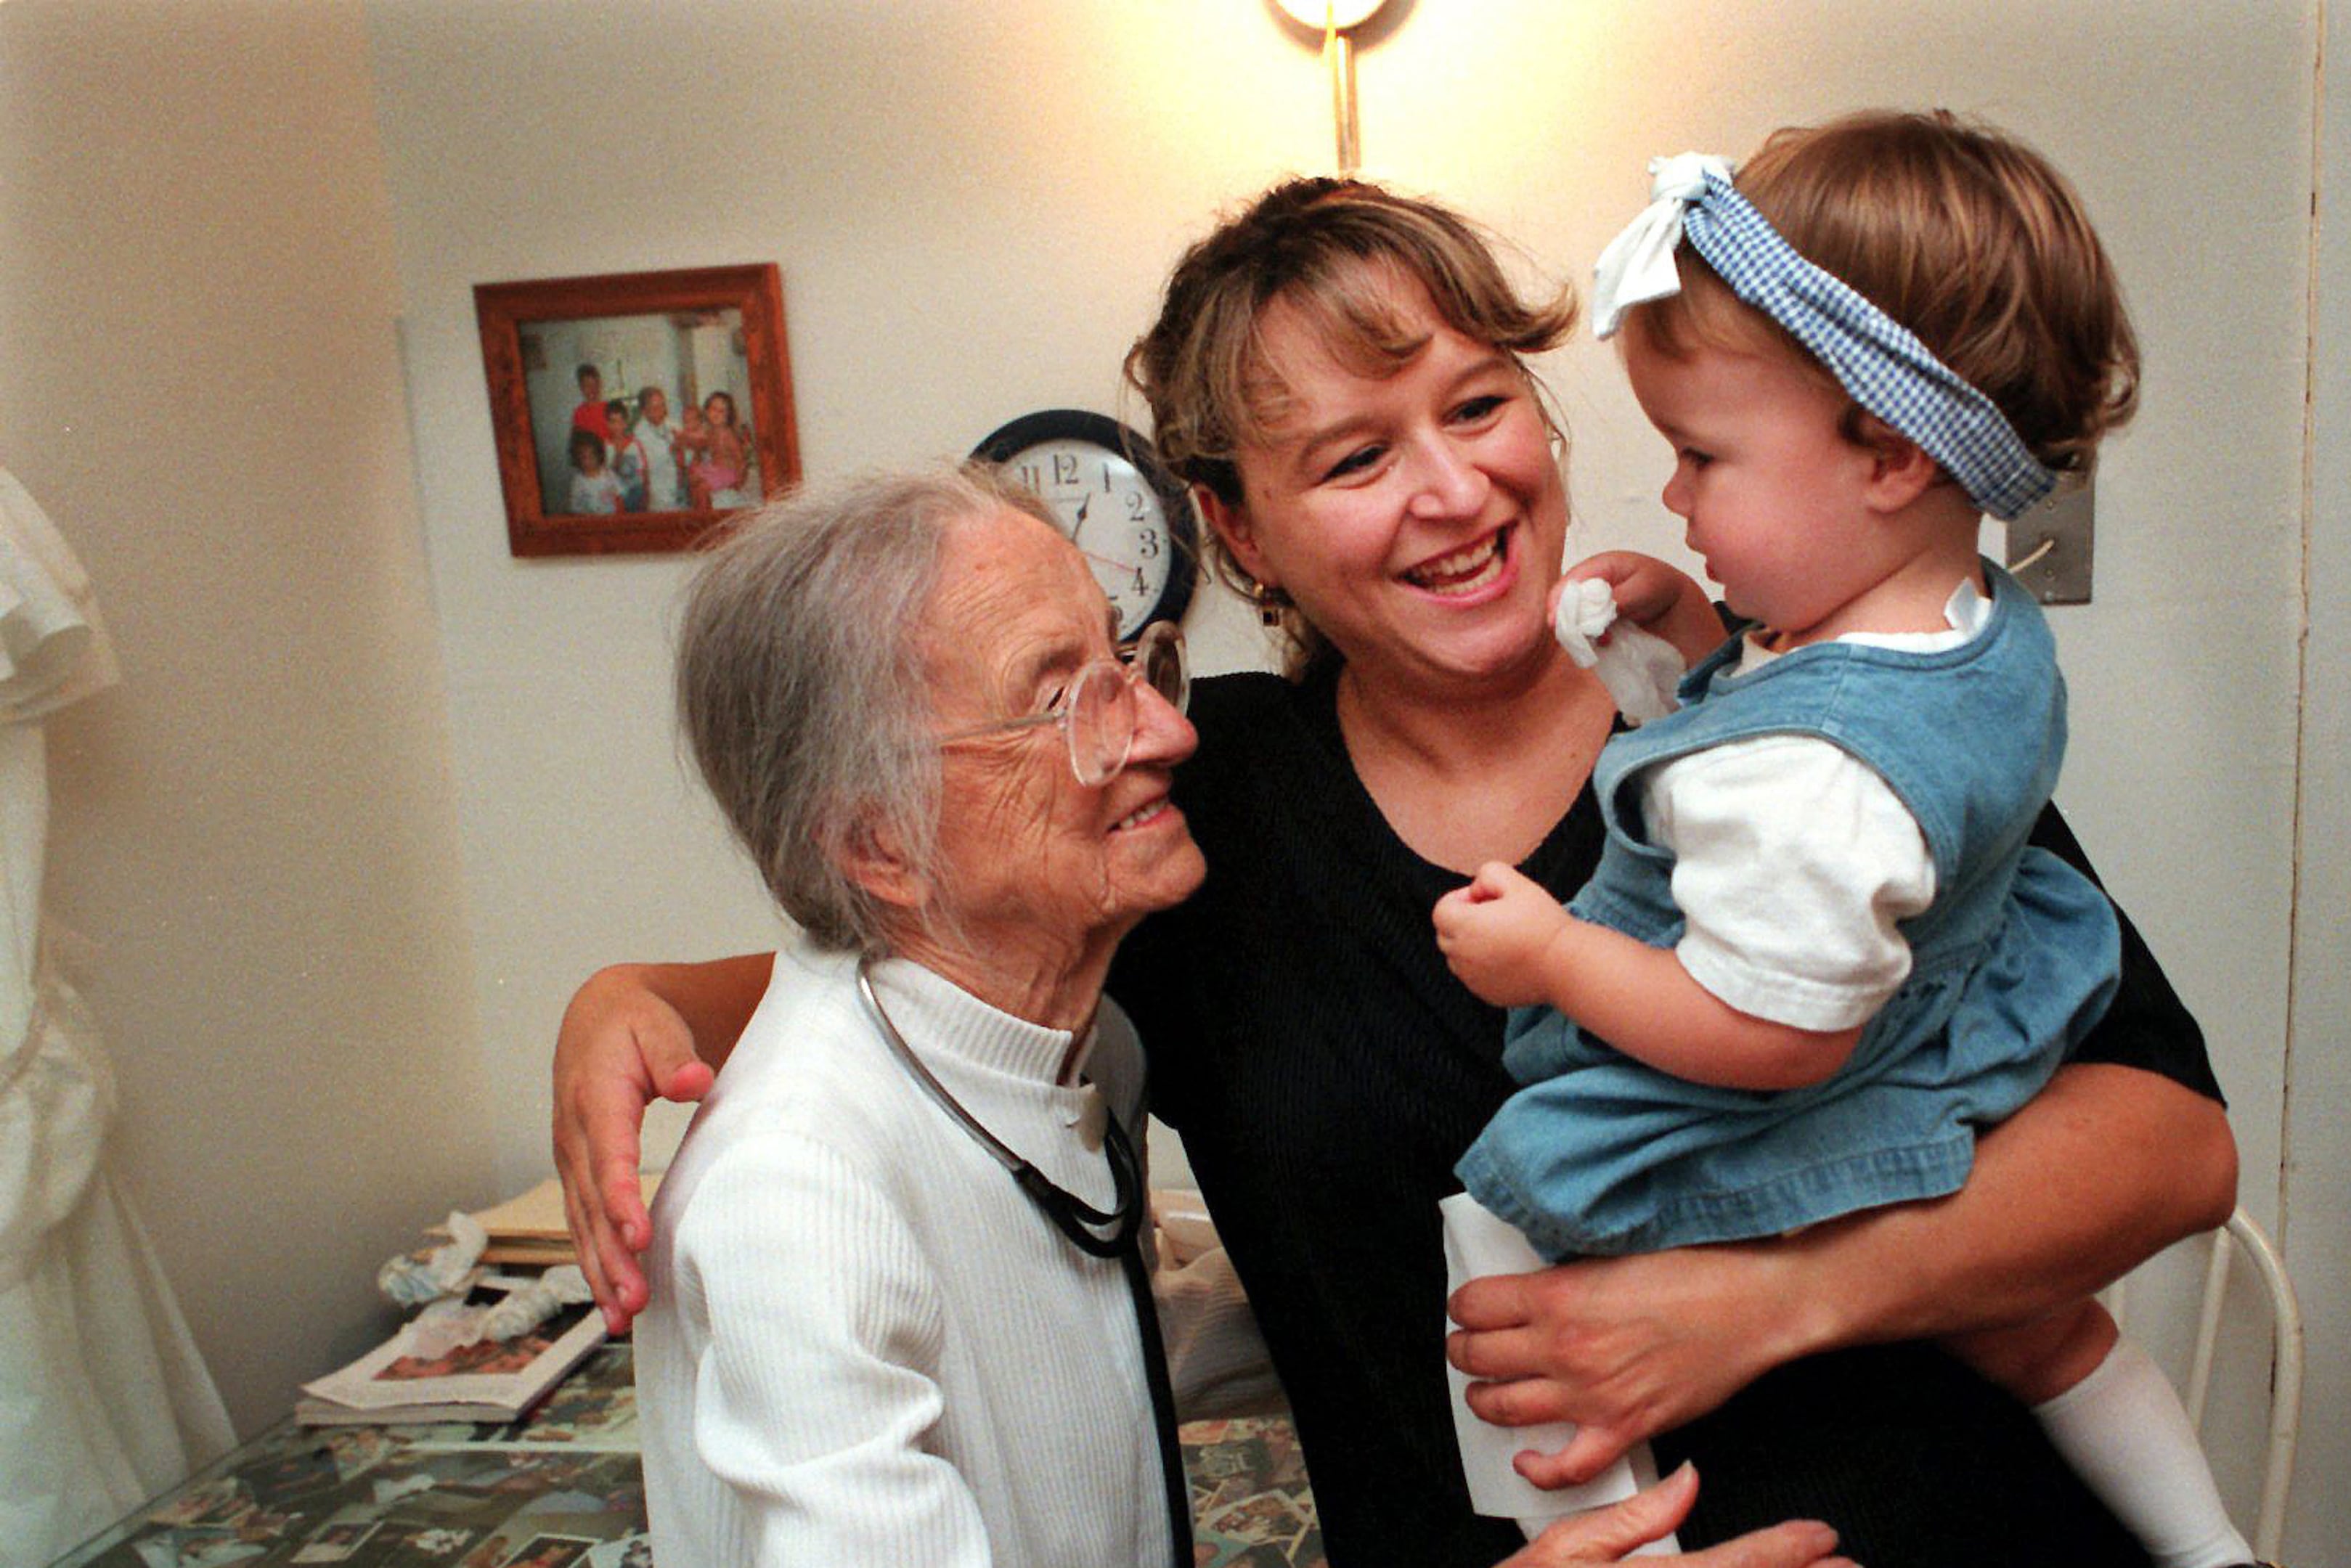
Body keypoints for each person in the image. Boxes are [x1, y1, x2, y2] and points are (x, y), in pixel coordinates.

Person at [554, 173, 2235, 1567]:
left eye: (1482, 403)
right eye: (1354, 458)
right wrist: (637, 999)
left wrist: (1759, 1301)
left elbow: (2166, 1143)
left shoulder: (1790, 722)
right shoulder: (1190, 807)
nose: (1457, 491)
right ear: (1240, 533)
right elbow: (925, 945)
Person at [1432, 115, 2251, 1568]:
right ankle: (2210, 1548)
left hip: (1809, 1081)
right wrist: (1694, 637)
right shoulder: (1955, 624)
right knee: (2043, 1327)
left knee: (1508, 1218)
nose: (1674, 496)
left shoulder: (1806, 775)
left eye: (1700, 456)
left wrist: (1552, 953)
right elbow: (1793, 723)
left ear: (1885, 453)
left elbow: (1767, 1030)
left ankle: (1585, 1523)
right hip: (1967, 1030)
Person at [637, 465, 1205, 1564]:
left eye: (1127, 663)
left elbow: (1056, 1360)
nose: (1165, 735)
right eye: (1062, 699)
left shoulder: (1077, 1053)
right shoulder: (798, 1191)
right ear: (878, 846)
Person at [682, 390, 757, 509]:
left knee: (702, 489)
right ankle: (697, 513)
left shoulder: (727, 434)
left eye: (722, 411)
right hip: (715, 469)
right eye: (713, 409)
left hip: (728, 472)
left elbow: (740, 459)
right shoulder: (710, 431)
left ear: (728, 416)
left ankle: (706, 517)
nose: (716, 414)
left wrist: (739, 480)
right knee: (692, 480)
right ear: (706, 411)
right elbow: (699, 444)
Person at [631, 387, 688, 510]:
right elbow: (645, 468)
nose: (661, 411)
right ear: (644, 411)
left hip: (678, 490)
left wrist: (681, 449)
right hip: (656, 493)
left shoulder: (674, 426)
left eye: (662, 406)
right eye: (655, 408)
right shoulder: (639, 433)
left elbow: (686, 459)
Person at [604, 399, 651, 513]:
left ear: (626, 423)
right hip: (615, 498)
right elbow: (607, 475)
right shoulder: (604, 447)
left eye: (621, 422)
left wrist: (646, 496)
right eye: (613, 422)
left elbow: (644, 472)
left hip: (636, 494)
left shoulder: (635, 445)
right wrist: (619, 454)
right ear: (607, 423)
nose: (617, 427)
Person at [565, 429, 624, 515]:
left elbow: (620, 496)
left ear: (599, 455)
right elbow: (574, 507)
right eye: (584, 458)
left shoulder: (609, 474)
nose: (589, 461)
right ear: (578, 459)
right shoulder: (578, 481)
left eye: (592, 456)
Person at [571, 364, 614, 444]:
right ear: (581, 388)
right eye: (588, 386)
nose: (592, 389)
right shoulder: (580, 413)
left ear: (600, 384)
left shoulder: (609, 407)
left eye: (595, 385)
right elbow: (578, 441)